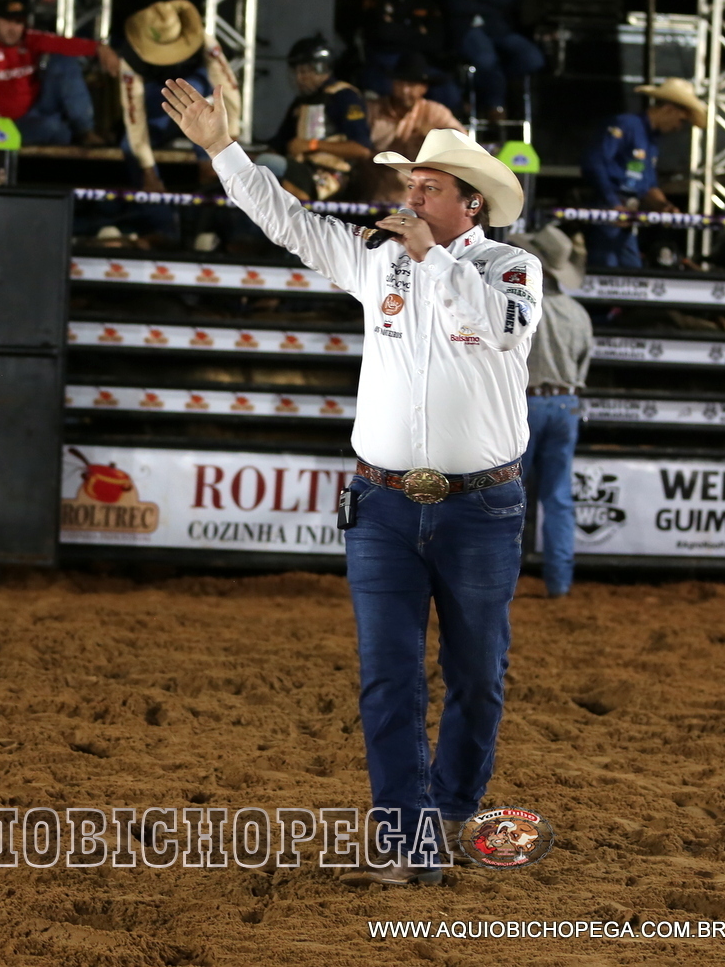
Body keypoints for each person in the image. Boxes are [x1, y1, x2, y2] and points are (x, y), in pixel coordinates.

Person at [163, 75, 542, 887]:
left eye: (427, 187)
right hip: (383, 503)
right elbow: (289, 221)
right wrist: (223, 149)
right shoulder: (378, 259)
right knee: (389, 677)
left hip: (480, 506)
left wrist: (430, 259)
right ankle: (410, 840)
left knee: (478, 675)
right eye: (411, 184)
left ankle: (452, 809)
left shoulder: (511, 269)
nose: (410, 196)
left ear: (469, 204)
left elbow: (498, 330)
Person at [510, 223, 593, 599]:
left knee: (510, 492)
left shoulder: (525, 307)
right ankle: (559, 582)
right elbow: (584, 362)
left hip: (529, 402)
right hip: (567, 402)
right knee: (557, 496)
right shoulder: (579, 313)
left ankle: (503, 574)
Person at [0, 0, 119, 146]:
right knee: (54, 129)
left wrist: (99, 48)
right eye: (7, 21)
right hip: (9, 124)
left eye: (18, 22)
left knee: (64, 60)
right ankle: (71, 132)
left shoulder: (29, 38)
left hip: (39, 109)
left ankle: (85, 130)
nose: (13, 29)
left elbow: (62, 44)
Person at [117, 0, 241, 192]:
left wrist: (230, 134)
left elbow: (226, 83)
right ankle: (154, 206)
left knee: (192, 89)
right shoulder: (132, 57)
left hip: (198, 103)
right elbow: (134, 113)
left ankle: (210, 171)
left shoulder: (202, 39)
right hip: (159, 109)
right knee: (130, 148)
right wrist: (148, 169)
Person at [580, 77, 705, 268]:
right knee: (606, 269)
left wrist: (664, 206)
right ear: (668, 109)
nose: (678, 127)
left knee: (632, 269)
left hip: (627, 215)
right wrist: (612, 203)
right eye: (681, 120)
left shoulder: (651, 141)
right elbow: (594, 162)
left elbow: (647, 184)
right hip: (605, 210)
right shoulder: (626, 125)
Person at [260, 36, 372, 202]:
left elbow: (361, 149)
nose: (299, 78)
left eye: (304, 72)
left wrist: (312, 145)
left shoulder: (344, 97)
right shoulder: (301, 102)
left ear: (322, 68)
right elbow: (280, 142)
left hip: (331, 173)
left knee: (268, 162)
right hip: (300, 168)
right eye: (296, 72)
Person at [360, 0, 462, 114]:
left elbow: (435, 42)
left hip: (421, 64)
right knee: (377, 90)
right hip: (385, 64)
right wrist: (416, 33)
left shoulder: (427, 1)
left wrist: (395, 30)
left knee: (448, 93)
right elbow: (378, 34)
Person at [367, 52, 466, 201]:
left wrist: (435, 135)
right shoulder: (372, 110)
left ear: (423, 88)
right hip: (369, 196)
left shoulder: (434, 112)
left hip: (418, 201)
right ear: (392, 84)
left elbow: (461, 139)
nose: (405, 90)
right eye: (401, 83)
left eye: (411, 85)